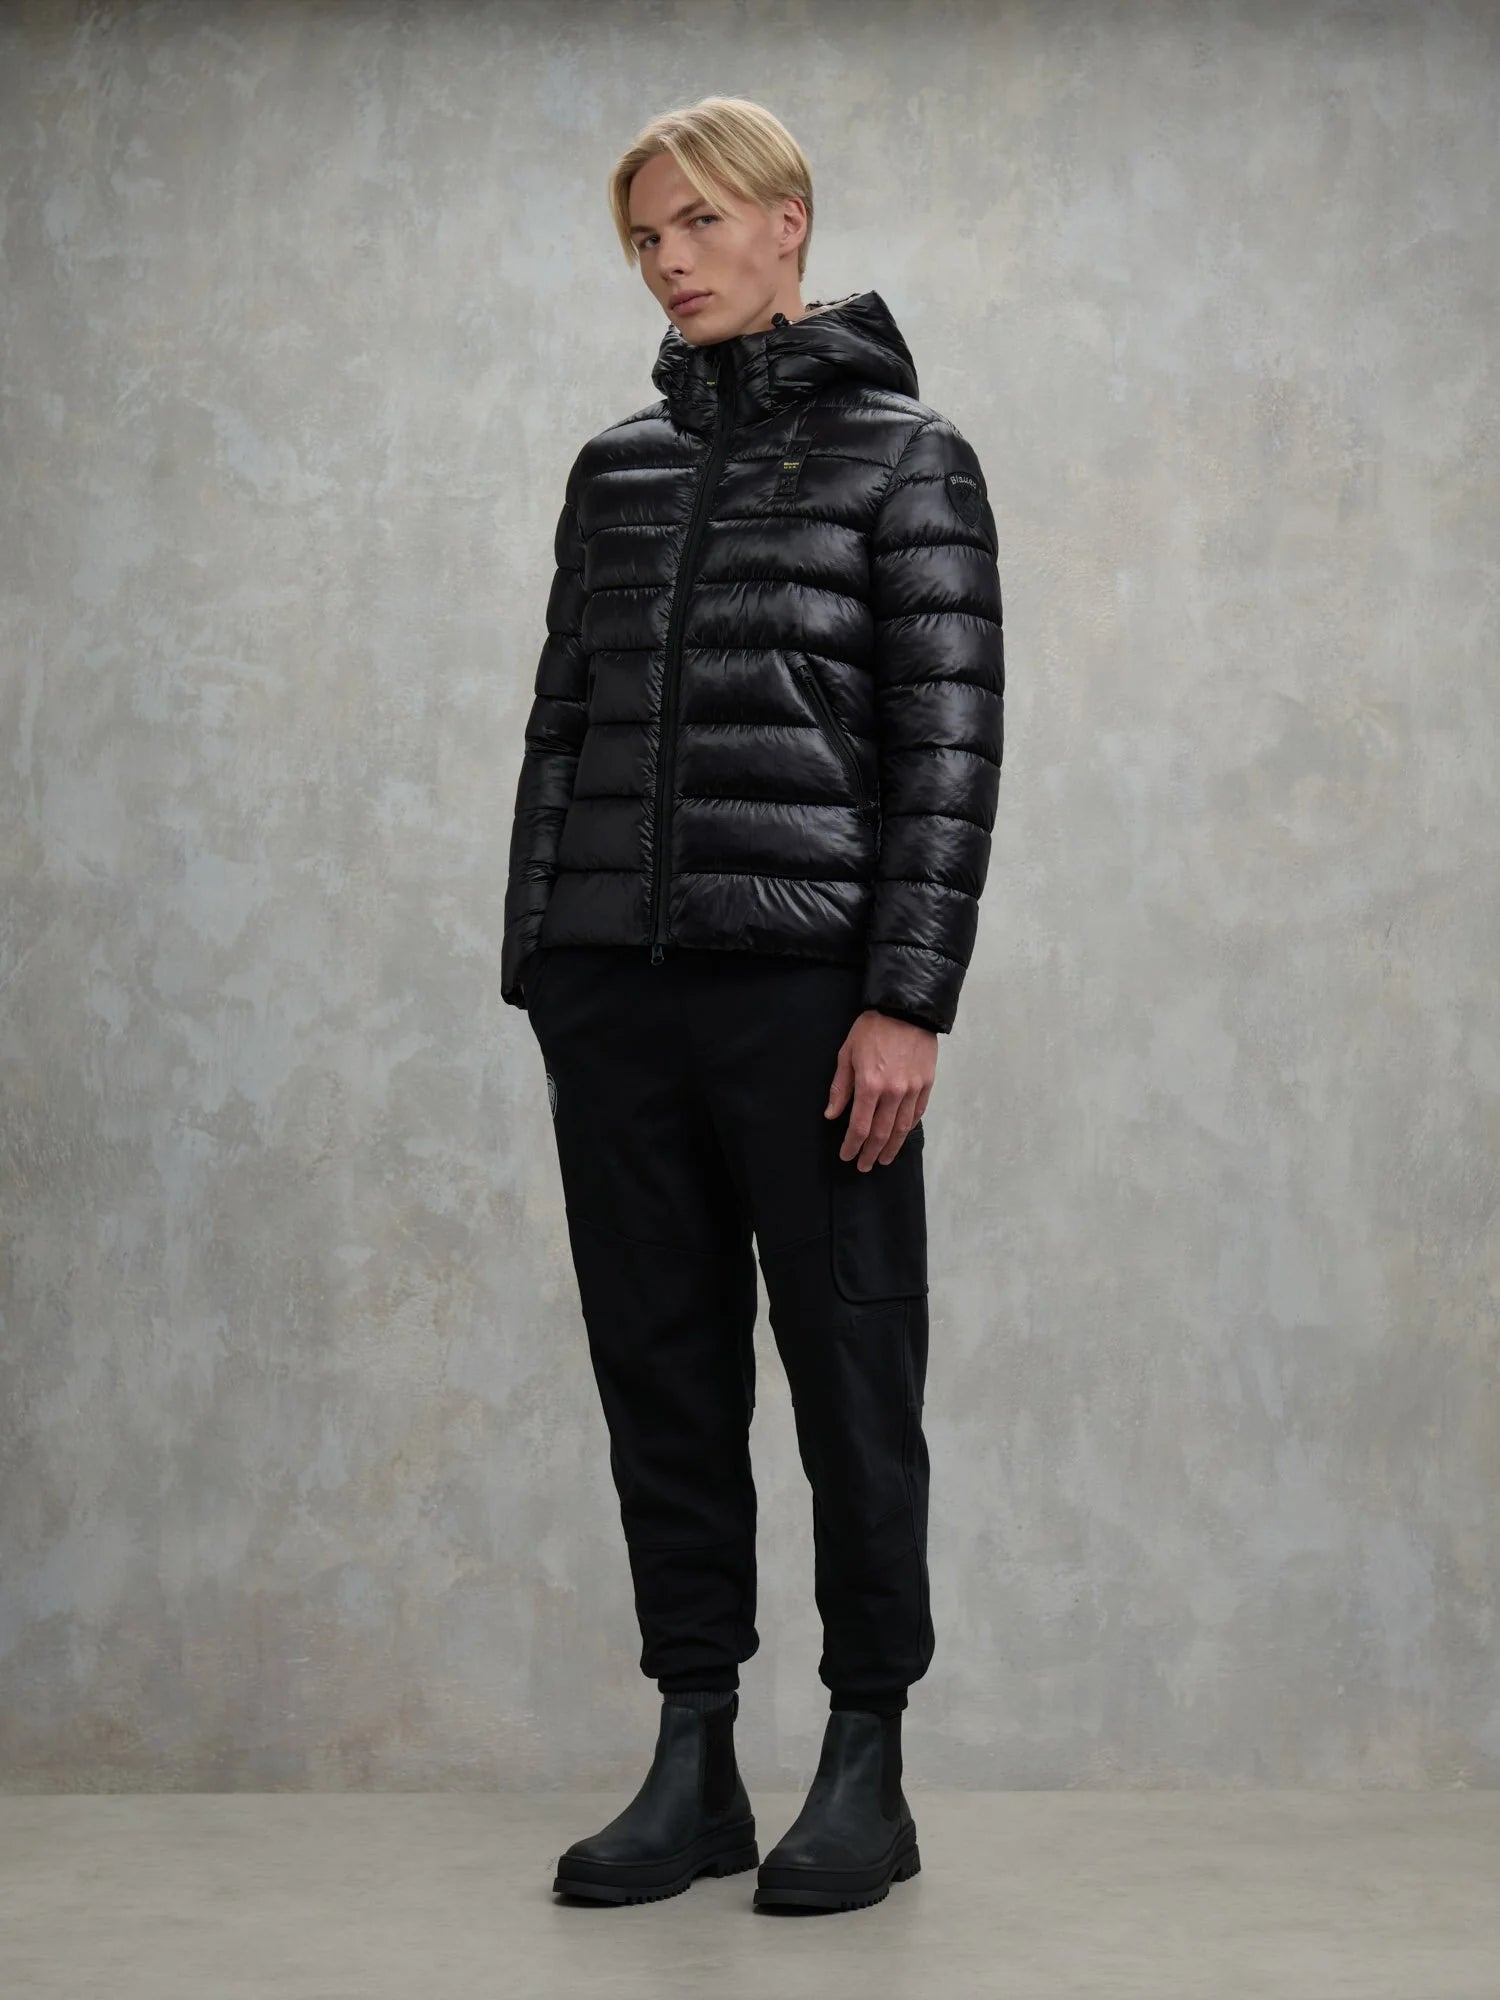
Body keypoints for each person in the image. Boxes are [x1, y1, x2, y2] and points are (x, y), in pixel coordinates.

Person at [501, 95, 1005, 1914]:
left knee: (852, 1371)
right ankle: (694, 1751)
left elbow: (948, 751)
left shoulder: (910, 460)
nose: (672, 260)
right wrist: (544, 962)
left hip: (809, 1006)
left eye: (700, 221)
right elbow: (563, 723)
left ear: (789, 220)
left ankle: (867, 1760)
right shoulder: (616, 469)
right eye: (647, 237)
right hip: (616, 999)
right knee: (662, 1372)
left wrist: (907, 1000)